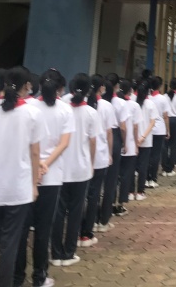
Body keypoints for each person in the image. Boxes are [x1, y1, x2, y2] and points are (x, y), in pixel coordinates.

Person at [0, 66, 43, 287]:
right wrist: (34, 184)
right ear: (27, 86)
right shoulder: (32, 114)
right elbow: (35, 153)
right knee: (10, 243)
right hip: (17, 188)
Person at [14, 68, 73, 287]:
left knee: (21, 229)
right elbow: (64, 143)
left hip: (27, 176)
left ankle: (17, 276)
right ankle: (39, 277)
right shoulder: (65, 110)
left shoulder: (28, 107)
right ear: (60, 88)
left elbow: (24, 142)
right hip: (52, 177)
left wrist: (36, 165)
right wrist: (46, 164)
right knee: (43, 230)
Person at [50, 73, 98, 266]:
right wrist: (92, 164)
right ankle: (69, 253)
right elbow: (93, 143)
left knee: (58, 212)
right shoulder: (91, 113)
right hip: (81, 168)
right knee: (76, 212)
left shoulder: (61, 107)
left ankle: (56, 253)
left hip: (60, 168)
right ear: (88, 91)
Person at [79, 75, 114, 246]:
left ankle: (78, 230)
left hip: (82, 156)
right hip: (99, 156)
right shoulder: (106, 106)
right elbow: (109, 133)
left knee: (81, 196)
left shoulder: (80, 104)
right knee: (94, 195)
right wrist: (110, 153)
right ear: (101, 88)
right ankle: (88, 230)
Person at [97, 74, 127, 229]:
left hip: (96, 138)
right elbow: (123, 127)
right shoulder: (119, 103)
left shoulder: (93, 102)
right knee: (110, 182)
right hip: (112, 138)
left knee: (95, 184)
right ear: (116, 86)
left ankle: (93, 219)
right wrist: (125, 142)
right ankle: (104, 218)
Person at [115, 79, 141, 213]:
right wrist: (135, 144)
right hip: (128, 144)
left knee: (114, 176)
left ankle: (112, 202)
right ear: (130, 91)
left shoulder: (113, 102)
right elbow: (135, 127)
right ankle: (120, 203)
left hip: (114, 145)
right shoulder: (134, 106)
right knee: (126, 175)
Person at [133, 82, 158, 200]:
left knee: (132, 166)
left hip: (133, 140)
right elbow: (152, 123)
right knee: (143, 166)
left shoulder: (133, 103)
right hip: (146, 140)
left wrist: (136, 138)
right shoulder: (151, 104)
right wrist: (143, 137)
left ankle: (130, 192)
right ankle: (140, 192)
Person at [146, 75, 169, 188]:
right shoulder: (163, 98)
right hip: (159, 130)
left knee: (147, 155)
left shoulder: (147, 98)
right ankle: (153, 179)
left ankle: (146, 178)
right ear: (160, 86)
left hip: (148, 129)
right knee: (156, 155)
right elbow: (166, 116)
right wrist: (168, 130)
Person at [162, 78, 176, 175]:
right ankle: (170, 168)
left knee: (165, 145)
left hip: (166, 120)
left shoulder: (164, 97)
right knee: (174, 145)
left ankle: (164, 167)